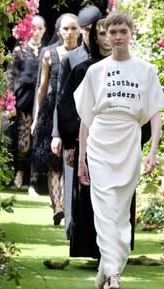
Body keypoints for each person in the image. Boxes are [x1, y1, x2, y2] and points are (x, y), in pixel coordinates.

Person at [74, 11, 164, 289]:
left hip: (129, 141)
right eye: (111, 32)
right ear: (104, 35)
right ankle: (114, 276)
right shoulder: (95, 72)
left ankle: (107, 267)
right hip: (100, 141)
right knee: (103, 208)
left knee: (121, 213)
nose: (116, 37)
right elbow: (85, 118)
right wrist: (81, 158)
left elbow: (155, 114)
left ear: (132, 33)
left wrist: (152, 152)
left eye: (122, 31)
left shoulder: (146, 70)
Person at [58, 16, 110, 259]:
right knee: (89, 197)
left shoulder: (135, 69)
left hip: (121, 144)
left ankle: (113, 249)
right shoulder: (83, 70)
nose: (108, 38)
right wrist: (69, 143)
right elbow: (68, 106)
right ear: (93, 37)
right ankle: (93, 248)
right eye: (102, 33)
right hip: (88, 142)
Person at [52, 5, 103, 237]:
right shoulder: (72, 59)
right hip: (75, 131)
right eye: (88, 30)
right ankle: (73, 230)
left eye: (96, 29)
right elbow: (61, 100)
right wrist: (59, 134)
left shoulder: (110, 58)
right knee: (73, 181)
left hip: (102, 134)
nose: (92, 34)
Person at [31, 13, 80, 225]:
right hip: (50, 110)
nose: (69, 32)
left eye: (73, 28)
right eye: (65, 28)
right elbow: (41, 88)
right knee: (53, 162)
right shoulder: (49, 54)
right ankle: (57, 207)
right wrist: (35, 117)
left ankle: (66, 205)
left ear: (79, 31)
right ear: (59, 31)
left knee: (70, 160)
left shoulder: (83, 55)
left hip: (75, 112)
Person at [6, 15, 46, 193]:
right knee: (24, 144)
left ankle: (33, 182)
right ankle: (20, 172)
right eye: (32, 28)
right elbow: (10, 77)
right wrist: (10, 102)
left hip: (42, 104)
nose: (35, 32)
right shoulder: (20, 51)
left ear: (44, 30)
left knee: (38, 143)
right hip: (23, 102)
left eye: (39, 28)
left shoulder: (47, 51)